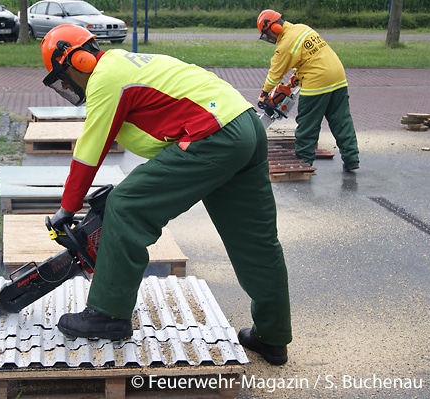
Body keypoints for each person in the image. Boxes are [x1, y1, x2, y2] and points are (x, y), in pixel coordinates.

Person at [41, 24, 292, 365]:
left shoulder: (105, 77)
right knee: (256, 240)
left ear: (78, 61)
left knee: (126, 206)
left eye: (63, 76)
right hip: (242, 124)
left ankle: (107, 313)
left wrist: (66, 210)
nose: (67, 85)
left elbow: (89, 151)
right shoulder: (128, 63)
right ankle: (272, 335)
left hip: (214, 134)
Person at [257, 9, 360, 172]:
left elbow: (274, 75)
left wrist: (263, 95)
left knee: (308, 122)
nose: (269, 38)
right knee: (341, 120)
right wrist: (295, 79)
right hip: (338, 75)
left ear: (274, 28)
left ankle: (304, 159)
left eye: (267, 34)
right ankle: (351, 158)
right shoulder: (301, 28)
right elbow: (311, 58)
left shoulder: (284, 45)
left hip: (318, 81)